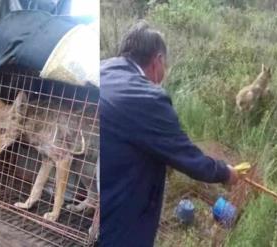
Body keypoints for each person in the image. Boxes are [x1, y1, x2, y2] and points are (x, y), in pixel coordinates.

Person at [99, 20, 239, 247]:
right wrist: (225, 173)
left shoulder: (103, 69)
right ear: (158, 60)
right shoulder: (147, 98)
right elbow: (190, 160)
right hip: (119, 219)